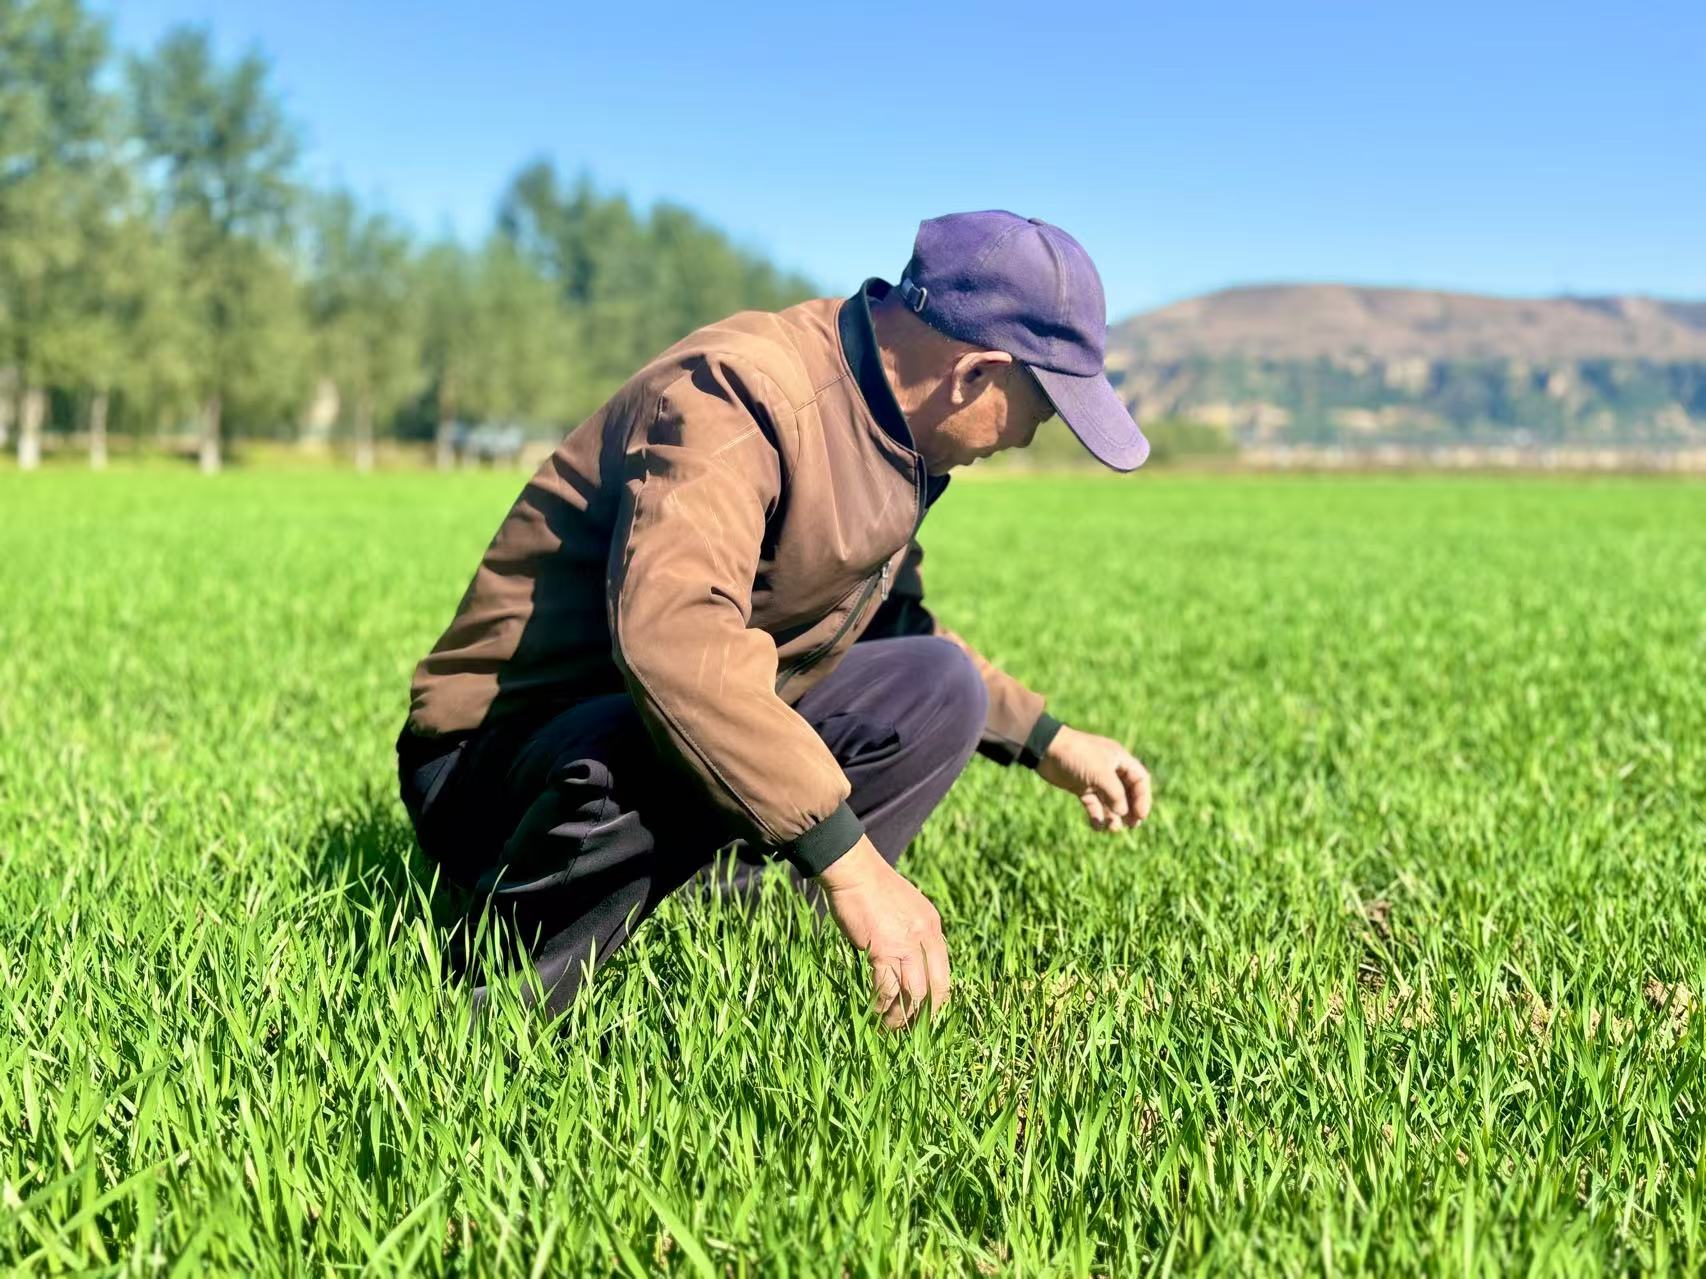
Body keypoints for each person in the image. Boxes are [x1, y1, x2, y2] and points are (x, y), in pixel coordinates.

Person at [397, 210, 1154, 1027]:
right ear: (975, 373)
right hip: (495, 761)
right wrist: (852, 863)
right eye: (1037, 410)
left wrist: (1048, 739)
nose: (1028, 440)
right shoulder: (740, 392)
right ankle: (491, 1004)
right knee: (677, 726)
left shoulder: (897, 443)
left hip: (628, 725)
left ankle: (729, 944)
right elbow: (674, 652)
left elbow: (894, 629)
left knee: (941, 687)